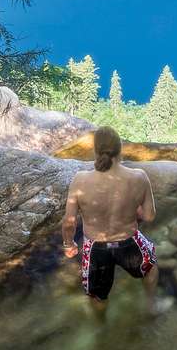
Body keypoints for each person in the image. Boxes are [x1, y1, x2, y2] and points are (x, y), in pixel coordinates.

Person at [62, 126, 159, 314]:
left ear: (96, 151)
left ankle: (100, 328)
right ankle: (151, 306)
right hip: (129, 242)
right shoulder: (139, 177)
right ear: (120, 149)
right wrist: (131, 208)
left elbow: (69, 221)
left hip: (95, 249)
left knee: (97, 295)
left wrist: (68, 244)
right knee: (151, 265)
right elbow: (149, 216)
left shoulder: (80, 180)